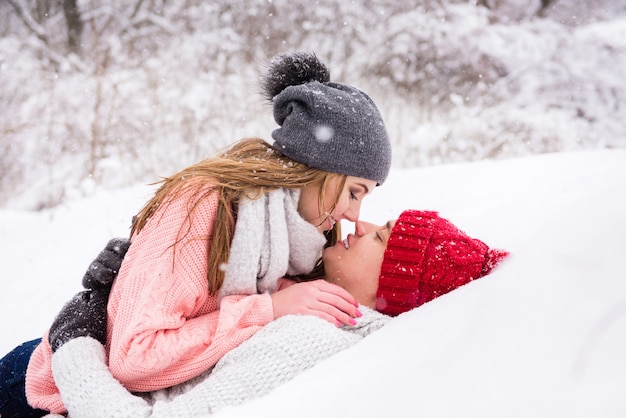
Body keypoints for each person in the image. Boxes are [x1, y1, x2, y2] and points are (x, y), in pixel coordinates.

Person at [0, 51, 393, 417]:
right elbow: (134, 359)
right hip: (45, 386)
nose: (354, 214)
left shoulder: (308, 241)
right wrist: (268, 310)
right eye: (353, 191)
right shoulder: (206, 204)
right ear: (315, 167)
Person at [42, 210, 509, 417]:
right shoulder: (318, 298)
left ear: (390, 288)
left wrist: (76, 343)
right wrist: (133, 277)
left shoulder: (313, 340)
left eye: (380, 238)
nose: (359, 223)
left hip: (62, 390)